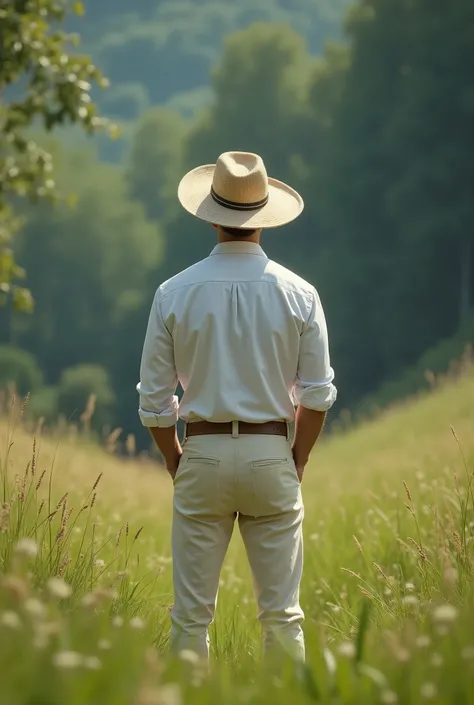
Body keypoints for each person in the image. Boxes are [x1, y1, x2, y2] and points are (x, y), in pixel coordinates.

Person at [137, 151, 337, 662]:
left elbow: (155, 402)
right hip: (271, 452)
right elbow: (316, 394)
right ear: (265, 216)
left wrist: (174, 459)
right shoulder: (301, 293)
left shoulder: (173, 292)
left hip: (200, 453)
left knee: (189, 620)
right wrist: (299, 459)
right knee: (283, 617)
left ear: (210, 215)